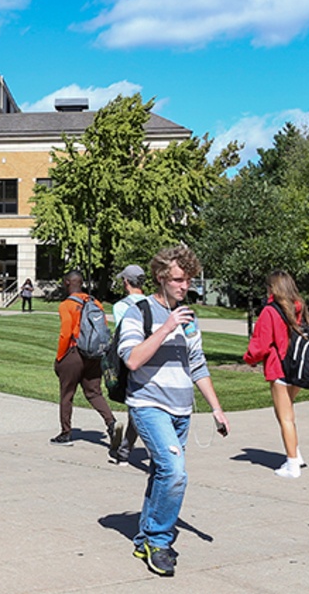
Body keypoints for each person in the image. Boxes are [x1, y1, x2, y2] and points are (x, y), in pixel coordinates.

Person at [118, 246, 230, 577]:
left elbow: (197, 364)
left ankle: (144, 539)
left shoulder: (189, 318)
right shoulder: (139, 312)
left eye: (188, 280)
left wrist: (217, 409)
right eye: (179, 280)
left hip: (182, 410)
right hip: (149, 405)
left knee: (163, 473)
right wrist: (166, 327)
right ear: (161, 277)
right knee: (175, 472)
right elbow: (133, 360)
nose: (185, 286)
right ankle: (159, 541)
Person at [243, 271, 308, 479]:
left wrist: (249, 358)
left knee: (285, 416)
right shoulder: (299, 306)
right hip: (298, 366)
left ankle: (292, 464)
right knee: (287, 413)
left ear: (273, 288)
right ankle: (295, 453)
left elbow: (260, 343)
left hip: (279, 367)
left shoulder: (270, 311)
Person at [51, 270, 120, 448]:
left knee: (67, 394)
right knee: (94, 392)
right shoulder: (95, 302)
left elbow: (66, 333)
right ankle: (111, 423)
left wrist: (60, 357)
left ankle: (66, 433)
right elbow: (103, 328)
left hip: (74, 353)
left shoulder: (66, 305)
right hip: (94, 354)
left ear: (67, 282)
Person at [110, 264, 148, 465]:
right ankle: (125, 449)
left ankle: (125, 450)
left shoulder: (121, 307)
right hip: (153, 358)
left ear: (126, 282)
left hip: (132, 359)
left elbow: (122, 336)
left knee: (137, 405)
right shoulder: (153, 303)